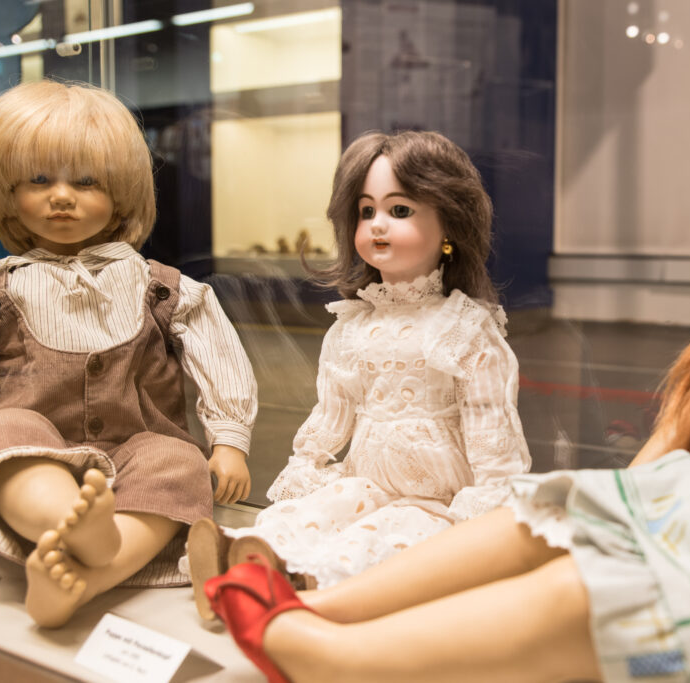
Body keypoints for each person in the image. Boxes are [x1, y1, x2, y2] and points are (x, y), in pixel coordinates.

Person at [203, 1, 690, 681]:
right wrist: (619, 507)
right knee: (549, 513)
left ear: (446, 227)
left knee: (602, 601)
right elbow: (680, 437)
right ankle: (331, 607)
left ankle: (342, 658)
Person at [0, 80, 258, 628]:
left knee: (178, 463)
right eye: (38, 180)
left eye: (85, 181)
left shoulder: (160, 287)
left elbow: (216, 350)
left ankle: (83, 575)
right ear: (9, 191)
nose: (60, 196)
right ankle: (66, 521)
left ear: (120, 191)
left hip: (139, 448)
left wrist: (228, 438)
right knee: (3, 431)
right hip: (37, 454)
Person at [187, 131, 530, 615]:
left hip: (435, 502)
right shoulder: (353, 327)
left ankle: (295, 589)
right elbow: (333, 413)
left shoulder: (465, 329)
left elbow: (494, 434)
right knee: (307, 517)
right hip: (365, 484)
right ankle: (240, 565)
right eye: (366, 212)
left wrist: (481, 510)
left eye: (400, 210)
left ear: (450, 224)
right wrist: (309, 464)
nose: (378, 225)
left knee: (379, 546)